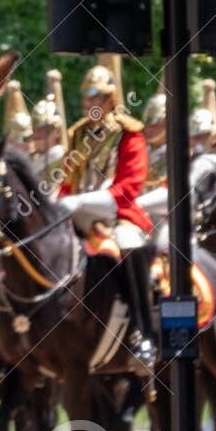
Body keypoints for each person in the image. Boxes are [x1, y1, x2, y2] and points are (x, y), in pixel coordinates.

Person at [58, 57, 157, 366]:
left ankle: (144, 334)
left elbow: (130, 187)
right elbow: (67, 178)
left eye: (98, 96)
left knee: (130, 245)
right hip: (80, 214)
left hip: (117, 214)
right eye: (87, 96)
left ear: (111, 98)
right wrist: (61, 201)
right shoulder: (78, 134)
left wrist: (82, 201)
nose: (91, 103)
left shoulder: (130, 133)